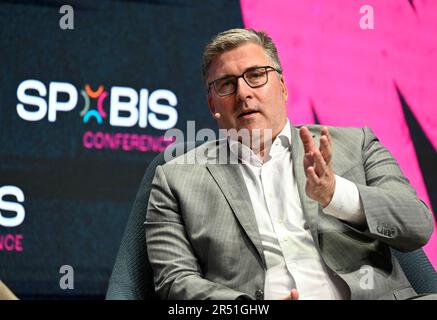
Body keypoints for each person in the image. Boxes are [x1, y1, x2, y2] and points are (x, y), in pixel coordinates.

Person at [145, 28, 434, 300]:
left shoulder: (357, 144)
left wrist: (335, 194)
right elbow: (175, 280)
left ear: (282, 87)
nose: (243, 93)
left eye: (256, 75)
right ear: (212, 105)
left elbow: (417, 225)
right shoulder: (175, 180)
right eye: (226, 85)